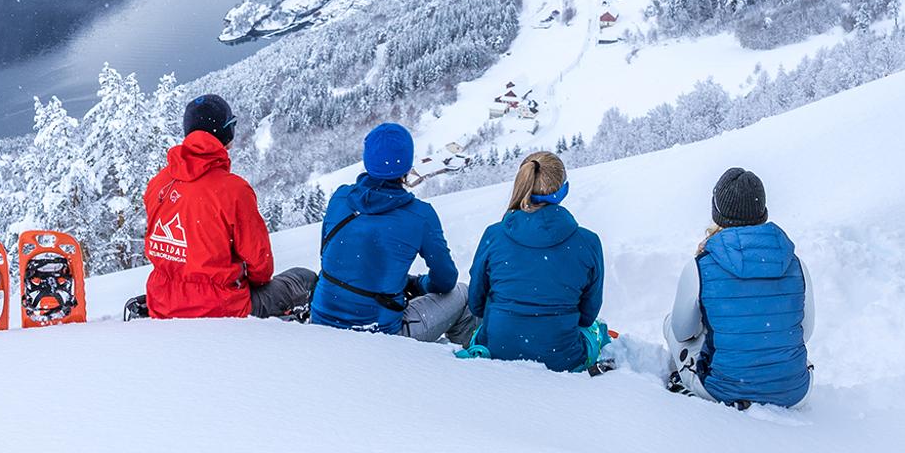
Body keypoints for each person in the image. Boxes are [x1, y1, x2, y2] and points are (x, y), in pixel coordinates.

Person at [134, 94, 317, 320]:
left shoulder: (159, 183)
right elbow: (261, 268)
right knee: (303, 279)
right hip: (222, 309)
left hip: (163, 303)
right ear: (225, 132)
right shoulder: (233, 190)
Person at [311, 123, 476, 346]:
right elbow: (446, 281)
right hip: (382, 335)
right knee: (462, 294)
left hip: (320, 321)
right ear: (407, 165)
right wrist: (420, 285)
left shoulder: (340, 198)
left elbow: (330, 254)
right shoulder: (420, 216)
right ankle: (472, 363)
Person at [663, 167, 813, 409]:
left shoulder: (700, 266)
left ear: (718, 212)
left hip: (723, 391)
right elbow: (804, 332)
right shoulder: (796, 263)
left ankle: (688, 383)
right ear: (762, 211)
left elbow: (682, 332)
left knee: (670, 323)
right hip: (794, 393)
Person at [464, 152, 607, 372]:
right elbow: (588, 316)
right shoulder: (588, 242)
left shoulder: (494, 235)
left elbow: (476, 304)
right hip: (562, 360)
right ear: (563, 190)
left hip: (495, 350)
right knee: (599, 330)